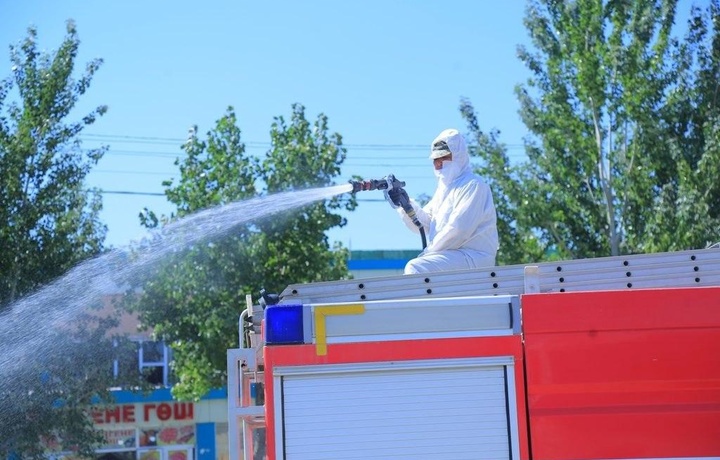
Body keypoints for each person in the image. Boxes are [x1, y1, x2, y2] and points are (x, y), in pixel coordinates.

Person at [387, 128, 499, 274]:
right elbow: (424, 224)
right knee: (419, 266)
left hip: (474, 257)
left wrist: (429, 252)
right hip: (452, 255)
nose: (438, 164)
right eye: (435, 159)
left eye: (443, 157)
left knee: (416, 267)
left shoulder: (473, 185)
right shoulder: (444, 190)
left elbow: (459, 229)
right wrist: (404, 204)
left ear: (459, 155)